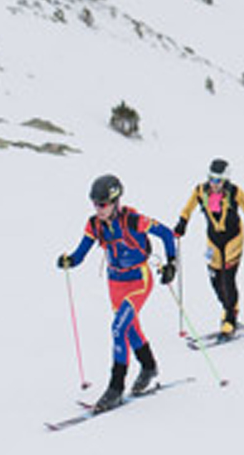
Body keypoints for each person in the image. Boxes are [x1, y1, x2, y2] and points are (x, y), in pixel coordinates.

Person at [58, 174, 178, 412]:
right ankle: (149, 366)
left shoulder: (133, 220)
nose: (98, 209)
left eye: (102, 204)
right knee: (130, 328)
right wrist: (69, 260)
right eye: (95, 204)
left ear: (115, 202)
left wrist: (171, 264)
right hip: (115, 283)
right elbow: (81, 253)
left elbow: (166, 233)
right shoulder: (94, 225)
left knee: (117, 328)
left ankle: (115, 387)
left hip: (138, 281)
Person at [173, 158, 244, 337]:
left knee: (228, 278)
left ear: (226, 180)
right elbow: (187, 209)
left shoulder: (235, 192)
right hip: (213, 241)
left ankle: (229, 317)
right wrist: (182, 224)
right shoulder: (200, 191)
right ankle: (229, 307)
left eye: (218, 180)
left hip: (233, 239)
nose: (213, 184)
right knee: (215, 279)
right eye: (211, 178)